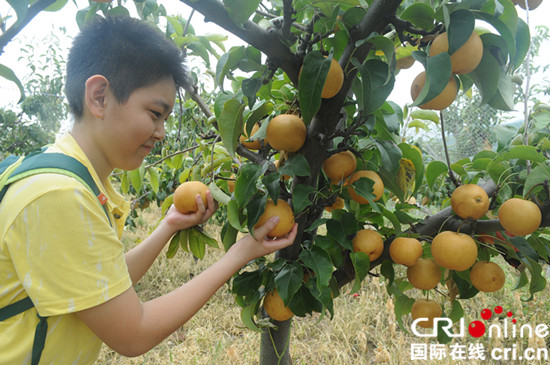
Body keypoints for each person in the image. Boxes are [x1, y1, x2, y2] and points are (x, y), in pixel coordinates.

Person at [0, 15, 297, 364]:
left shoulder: (55, 171)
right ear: (99, 97)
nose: (161, 132)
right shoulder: (58, 195)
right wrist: (240, 253)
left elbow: (98, 281)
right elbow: (133, 333)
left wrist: (167, 226)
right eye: (155, 113)